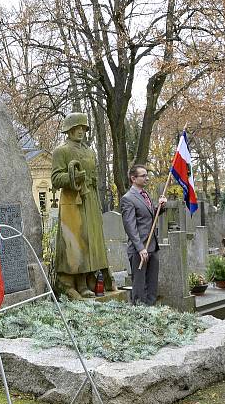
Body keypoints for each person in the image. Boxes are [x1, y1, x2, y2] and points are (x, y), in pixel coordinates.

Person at [51, 112, 110, 299]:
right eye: (76, 128)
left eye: (83, 128)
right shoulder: (61, 151)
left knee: (92, 241)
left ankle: (92, 279)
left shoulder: (89, 151)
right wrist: (72, 177)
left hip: (90, 198)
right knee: (77, 242)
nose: (80, 131)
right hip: (73, 201)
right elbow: (55, 178)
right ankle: (77, 284)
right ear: (68, 130)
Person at [120, 165, 167, 305]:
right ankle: (140, 315)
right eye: (143, 176)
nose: (147, 178)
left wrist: (160, 207)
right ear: (133, 178)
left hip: (152, 246)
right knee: (139, 288)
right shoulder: (127, 198)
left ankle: (151, 313)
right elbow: (130, 226)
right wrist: (140, 248)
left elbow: (150, 215)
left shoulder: (145, 195)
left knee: (152, 286)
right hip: (139, 249)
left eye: (147, 175)